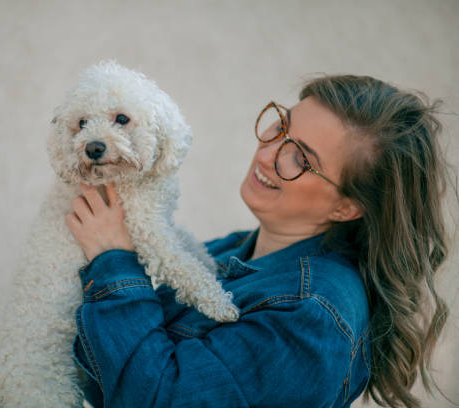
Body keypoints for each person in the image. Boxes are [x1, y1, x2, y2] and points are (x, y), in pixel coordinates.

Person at [65, 74, 456, 407]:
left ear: (347, 207)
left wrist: (113, 259)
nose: (268, 153)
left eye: (301, 159)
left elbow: (160, 398)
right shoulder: (236, 248)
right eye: (281, 126)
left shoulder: (312, 317)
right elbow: (105, 367)